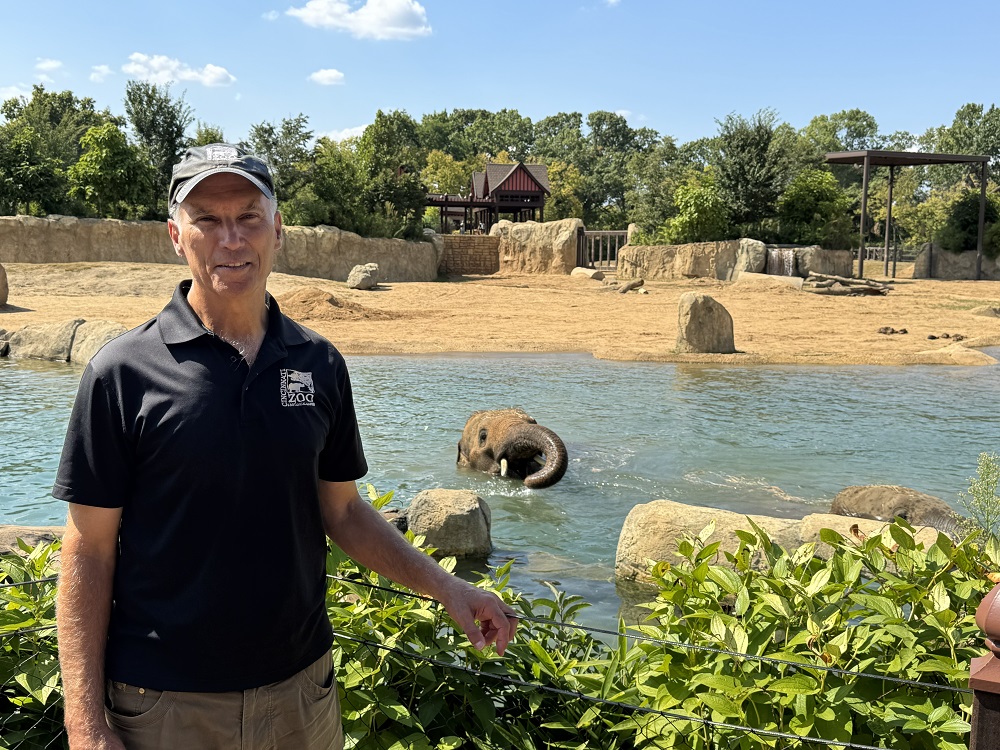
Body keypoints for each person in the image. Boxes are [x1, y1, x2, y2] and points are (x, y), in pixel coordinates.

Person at [54, 143, 518, 750]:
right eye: (208, 220)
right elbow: (88, 547)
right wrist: (85, 724)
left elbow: (344, 512)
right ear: (175, 235)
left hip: (302, 695)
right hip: (164, 704)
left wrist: (450, 588)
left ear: (278, 230)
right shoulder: (122, 372)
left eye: (249, 216)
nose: (231, 238)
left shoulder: (319, 363)